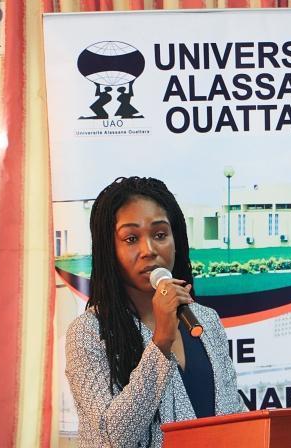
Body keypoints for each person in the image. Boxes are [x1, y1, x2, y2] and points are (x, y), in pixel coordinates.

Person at [65, 176, 244, 447]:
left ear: (177, 240)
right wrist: (160, 341)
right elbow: (112, 439)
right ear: (109, 250)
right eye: (131, 238)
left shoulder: (205, 320)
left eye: (160, 235)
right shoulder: (88, 333)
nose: (148, 250)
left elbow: (233, 414)